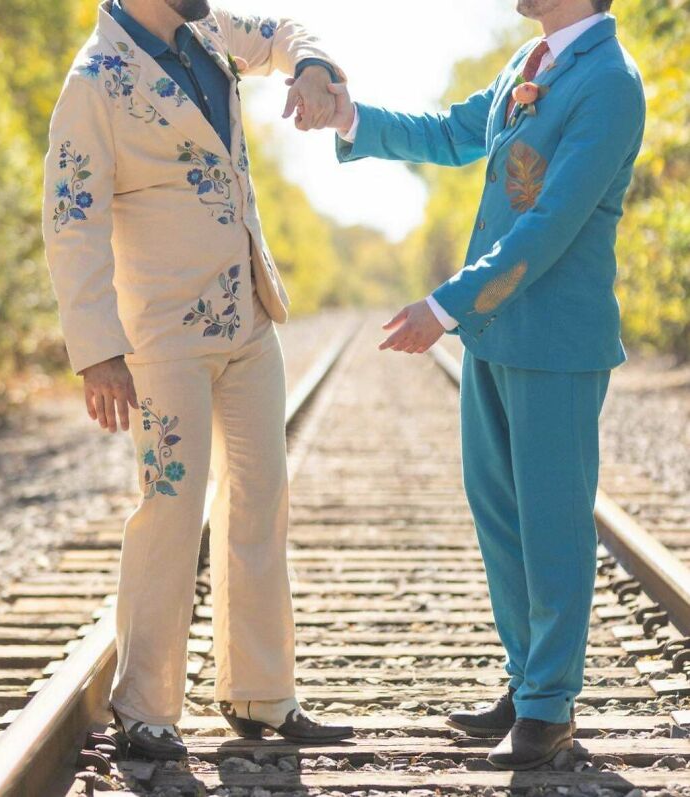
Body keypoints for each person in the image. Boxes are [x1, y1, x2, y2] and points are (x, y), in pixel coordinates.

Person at [319, 0, 645, 770]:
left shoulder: (610, 82)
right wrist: (350, 118)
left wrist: (445, 305)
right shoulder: (528, 63)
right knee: (501, 513)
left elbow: (552, 223)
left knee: (553, 521)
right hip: (499, 337)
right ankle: (528, 681)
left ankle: (549, 707)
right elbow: (450, 134)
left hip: (558, 340)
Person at [42, 0, 353, 760]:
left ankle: (260, 693)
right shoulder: (97, 81)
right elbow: (70, 218)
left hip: (248, 317)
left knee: (260, 497)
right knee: (171, 508)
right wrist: (96, 349)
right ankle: (145, 707)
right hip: (161, 338)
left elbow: (283, 34)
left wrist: (311, 67)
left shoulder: (207, 31)